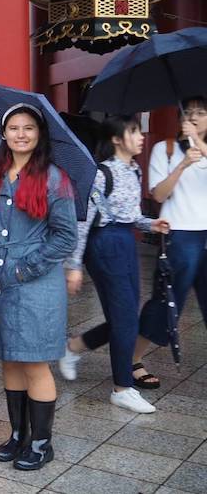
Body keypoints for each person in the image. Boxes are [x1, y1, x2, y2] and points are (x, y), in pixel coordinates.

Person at [0, 104, 77, 471]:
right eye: (14, 128)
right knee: (9, 357)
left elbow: (65, 237)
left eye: (29, 128)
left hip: (35, 284)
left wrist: (28, 268)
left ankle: (42, 442)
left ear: (39, 134)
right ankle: (18, 435)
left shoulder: (54, 178)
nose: (21, 134)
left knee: (35, 362)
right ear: (4, 133)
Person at [59, 116, 168, 413]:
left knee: (126, 318)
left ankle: (74, 348)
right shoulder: (101, 174)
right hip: (103, 245)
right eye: (134, 131)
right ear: (117, 139)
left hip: (125, 242)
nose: (140, 136)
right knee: (126, 318)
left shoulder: (134, 170)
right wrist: (74, 264)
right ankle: (122, 387)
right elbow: (84, 222)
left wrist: (151, 224)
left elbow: (129, 216)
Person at [128, 97, 207, 387]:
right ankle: (132, 359)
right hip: (180, 234)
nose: (196, 117)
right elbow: (159, 195)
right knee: (166, 302)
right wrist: (183, 164)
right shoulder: (166, 149)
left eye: (202, 113)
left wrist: (199, 144)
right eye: (190, 113)